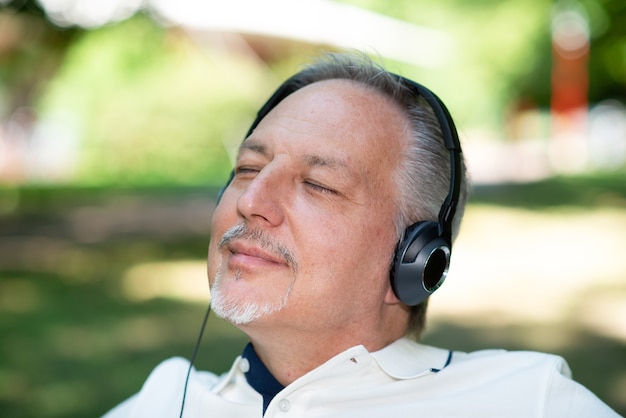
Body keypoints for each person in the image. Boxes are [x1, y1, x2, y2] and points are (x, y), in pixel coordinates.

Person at [103, 51, 620, 417]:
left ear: (416, 258)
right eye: (246, 168)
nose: (251, 201)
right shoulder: (160, 401)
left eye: (319, 184)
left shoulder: (528, 401)